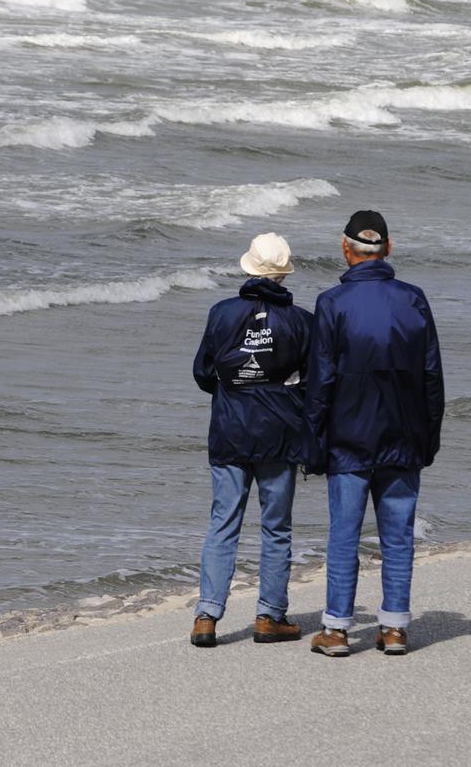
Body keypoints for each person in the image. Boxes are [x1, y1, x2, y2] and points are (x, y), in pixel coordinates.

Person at [304, 210, 444, 658]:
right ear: (389, 247)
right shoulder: (414, 298)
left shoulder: (331, 302)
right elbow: (431, 376)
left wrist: (313, 439)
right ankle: (395, 628)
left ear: (345, 250)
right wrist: (430, 437)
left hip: (348, 437)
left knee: (344, 534)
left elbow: (320, 379)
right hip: (404, 435)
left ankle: (338, 630)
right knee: (398, 533)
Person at [190, 232, 313, 647]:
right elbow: (314, 380)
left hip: (230, 428)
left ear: (249, 267)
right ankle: (269, 616)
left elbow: (204, 373)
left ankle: (207, 615)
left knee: (223, 523)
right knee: (276, 527)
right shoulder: (301, 320)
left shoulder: (222, 313)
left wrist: (238, 388)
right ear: (283, 274)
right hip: (279, 432)